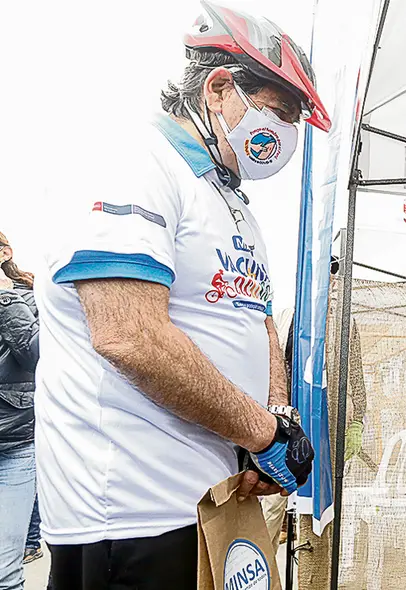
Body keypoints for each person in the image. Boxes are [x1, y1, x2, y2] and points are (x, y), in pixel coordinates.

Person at [32, 3, 327, 588]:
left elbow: (258, 318)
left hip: (213, 500)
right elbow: (130, 336)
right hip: (132, 514)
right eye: (282, 113)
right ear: (220, 88)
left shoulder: (229, 197)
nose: (288, 137)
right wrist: (263, 434)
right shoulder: (133, 164)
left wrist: (276, 417)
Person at [0, 232, 40, 590]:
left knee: (3, 571)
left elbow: (34, 355)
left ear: (5, 254)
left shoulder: (24, 299)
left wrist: (4, 296)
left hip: (13, 447)